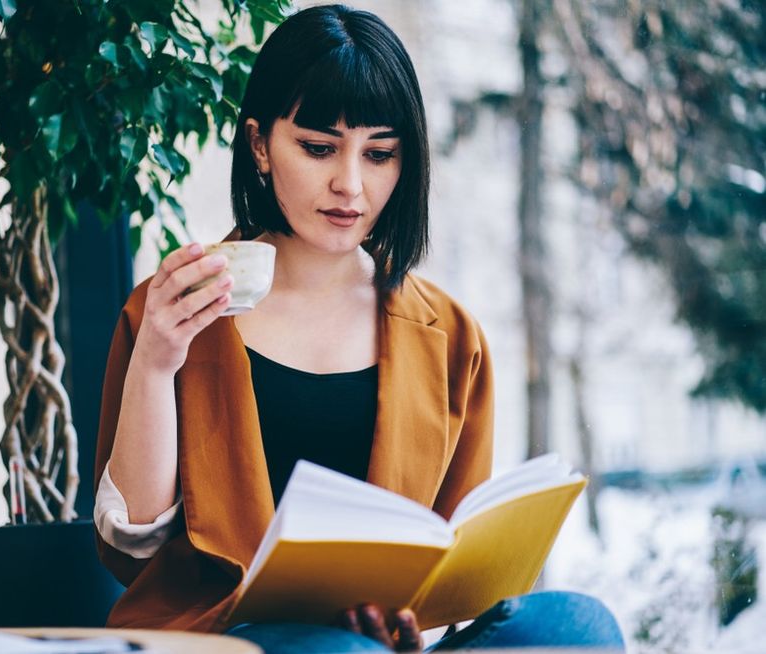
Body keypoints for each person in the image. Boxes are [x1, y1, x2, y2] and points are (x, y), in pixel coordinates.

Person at [94, 4, 624, 652]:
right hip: (221, 639)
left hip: (378, 646)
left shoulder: (450, 336)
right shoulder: (178, 307)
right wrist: (155, 360)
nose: (350, 184)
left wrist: (408, 617)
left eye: (379, 154)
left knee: (577, 627)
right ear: (260, 144)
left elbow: (453, 568)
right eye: (318, 148)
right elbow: (131, 550)